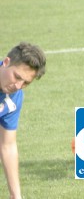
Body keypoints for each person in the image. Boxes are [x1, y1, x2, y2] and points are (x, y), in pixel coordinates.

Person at [0, 42, 46, 199]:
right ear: (6, 62)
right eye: (17, 77)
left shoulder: (14, 98)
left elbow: (8, 146)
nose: (18, 86)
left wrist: (16, 195)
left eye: (26, 82)